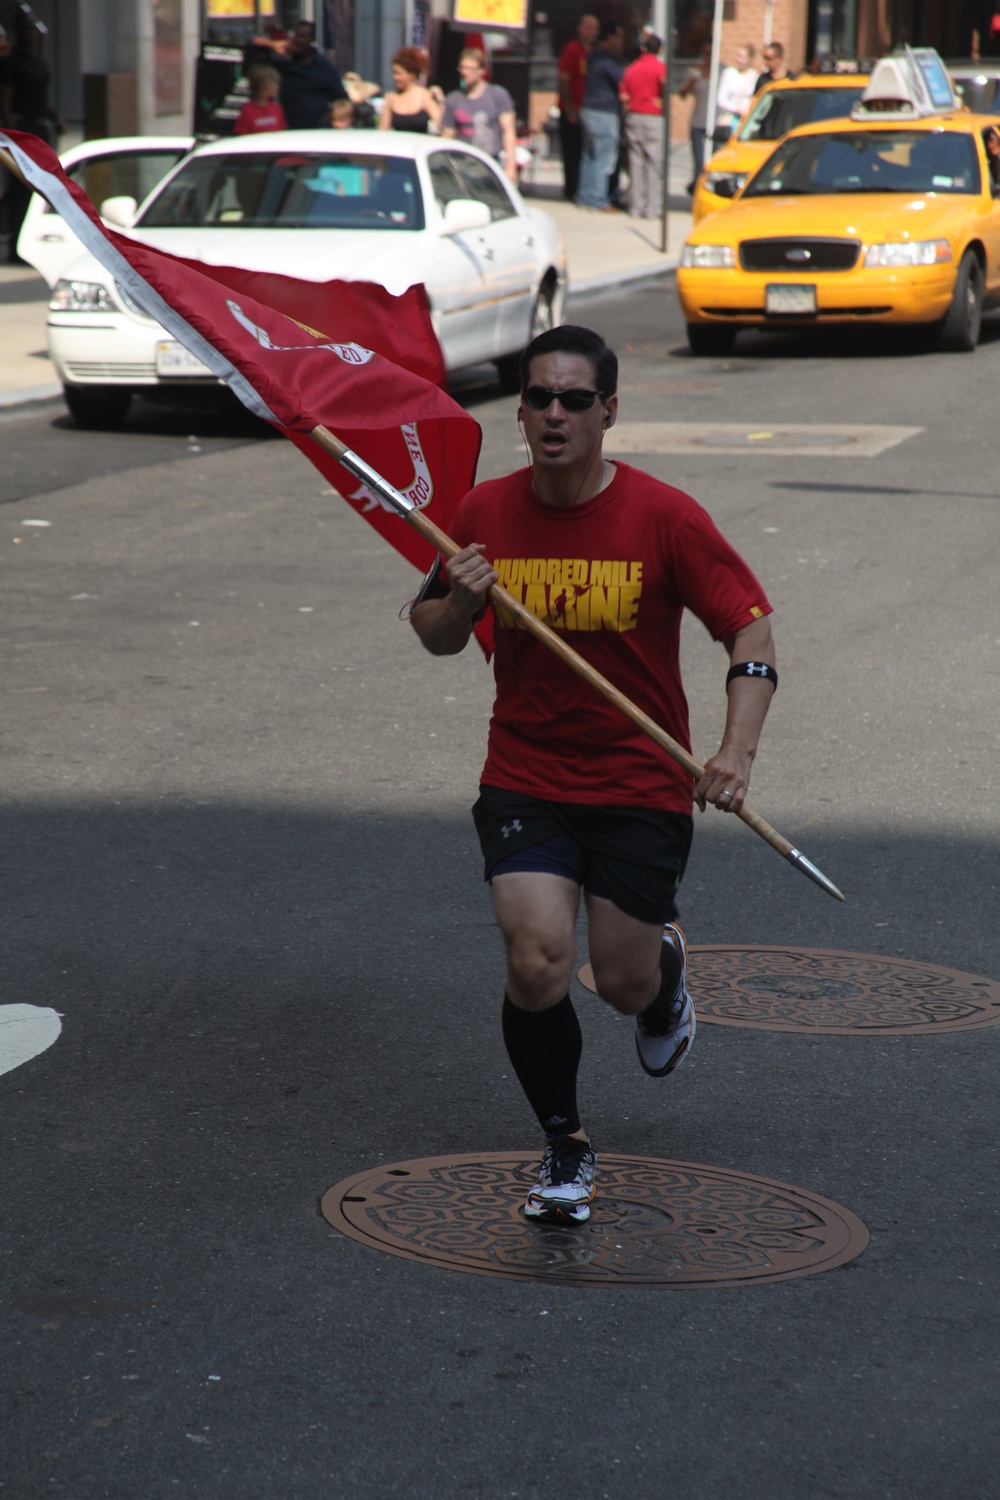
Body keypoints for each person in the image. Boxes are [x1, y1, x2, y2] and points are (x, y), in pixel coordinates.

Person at [409, 324, 777, 1226]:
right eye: (539, 398)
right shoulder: (482, 512)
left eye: (576, 399)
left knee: (618, 981)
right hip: (526, 775)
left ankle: (663, 981)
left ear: (609, 412)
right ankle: (565, 1145)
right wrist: (459, 596)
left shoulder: (665, 516)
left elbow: (752, 637)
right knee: (535, 961)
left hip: (640, 783)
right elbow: (433, 632)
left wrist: (733, 754)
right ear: (522, 411)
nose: (555, 414)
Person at [0, 15, 65, 263]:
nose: (30, 34)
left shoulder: (38, 63)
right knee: (20, 189)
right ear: (18, 33)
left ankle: (27, 241)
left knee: (39, 188)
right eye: (25, 30)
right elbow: (5, 102)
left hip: (40, 129)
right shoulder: (11, 64)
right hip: (21, 129)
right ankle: (16, 246)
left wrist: (55, 117)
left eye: (32, 30)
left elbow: (38, 99)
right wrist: (11, 136)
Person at [254, 20, 348, 130]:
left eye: (303, 37)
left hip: (318, 130)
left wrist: (330, 116)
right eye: (296, 36)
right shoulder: (285, 63)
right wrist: (273, 44)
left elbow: (341, 98)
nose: (298, 40)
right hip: (291, 129)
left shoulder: (325, 67)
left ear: (311, 40)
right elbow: (253, 45)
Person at [442, 48, 517, 183]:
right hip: (463, 166)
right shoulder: (454, 99)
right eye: (462, 68)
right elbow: (447, 137)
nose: (464, 72)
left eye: (470, 68)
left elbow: (508, 131)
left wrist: (510, 167)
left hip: (491, 163)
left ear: (482, 71)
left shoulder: (497, 95)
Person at [576, 20, 625, 211]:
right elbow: (623, 81)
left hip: (589, 110)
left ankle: (585, 195)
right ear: (610, 37)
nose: (622, 41)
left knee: (589, 156)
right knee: (602, 157)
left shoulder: (593, 57)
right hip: (603, 113)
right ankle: (597, 199)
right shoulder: (606, 59)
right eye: (619, 36)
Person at [620, 31, 666, 218]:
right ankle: (653, 208)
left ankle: (636, 207)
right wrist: (661, 100)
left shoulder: (631, 68)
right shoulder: (660, 67)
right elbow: (665, 84)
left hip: (634, 116)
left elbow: (623, 96)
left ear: (643, 48)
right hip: (653, 118)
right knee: (654, 163)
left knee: (636, 162)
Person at [557, 13, 599, 203]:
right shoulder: (572, 49)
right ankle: (571, 190)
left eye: (595, 29)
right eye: (589, 28)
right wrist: (570, 109)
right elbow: (564, 79)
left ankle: (583, 189)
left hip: (589, 109)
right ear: (580, 29)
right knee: (572, 152)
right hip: (572, 109)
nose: (592, 33)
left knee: (587, 152)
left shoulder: (595, 53)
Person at [378, 47, 442, 134]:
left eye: (398, 73)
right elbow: (383, 131)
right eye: (394, 73)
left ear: (411, 74)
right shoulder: (391, 97)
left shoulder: (425, 96)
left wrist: (441, 100)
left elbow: (442, 125)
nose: (394, 77)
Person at [680, 41, 714, 193]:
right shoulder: (695, 72)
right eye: (705, 53)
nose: (708, 57)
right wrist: (690, 84)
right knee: (699, 160)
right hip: (698, 122)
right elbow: (682, 94)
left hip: (714, 122)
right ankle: (697, 190)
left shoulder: (720, 72)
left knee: (712, 160)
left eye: (711, 53)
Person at [714, 43, 757, 144]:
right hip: (728, 121)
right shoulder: (729, 73)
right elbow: (721, 99)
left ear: (749, 59)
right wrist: (737, 109)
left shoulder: (754, 76)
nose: (739, 60)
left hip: (745, 124)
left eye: (742, 57)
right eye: (738, 56)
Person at [234, 66, 288, 135]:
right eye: (274, 83)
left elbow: (282, 132)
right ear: (264, 86)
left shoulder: (276, 108)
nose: (277, 87)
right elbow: (242, 136)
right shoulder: (248, 111)